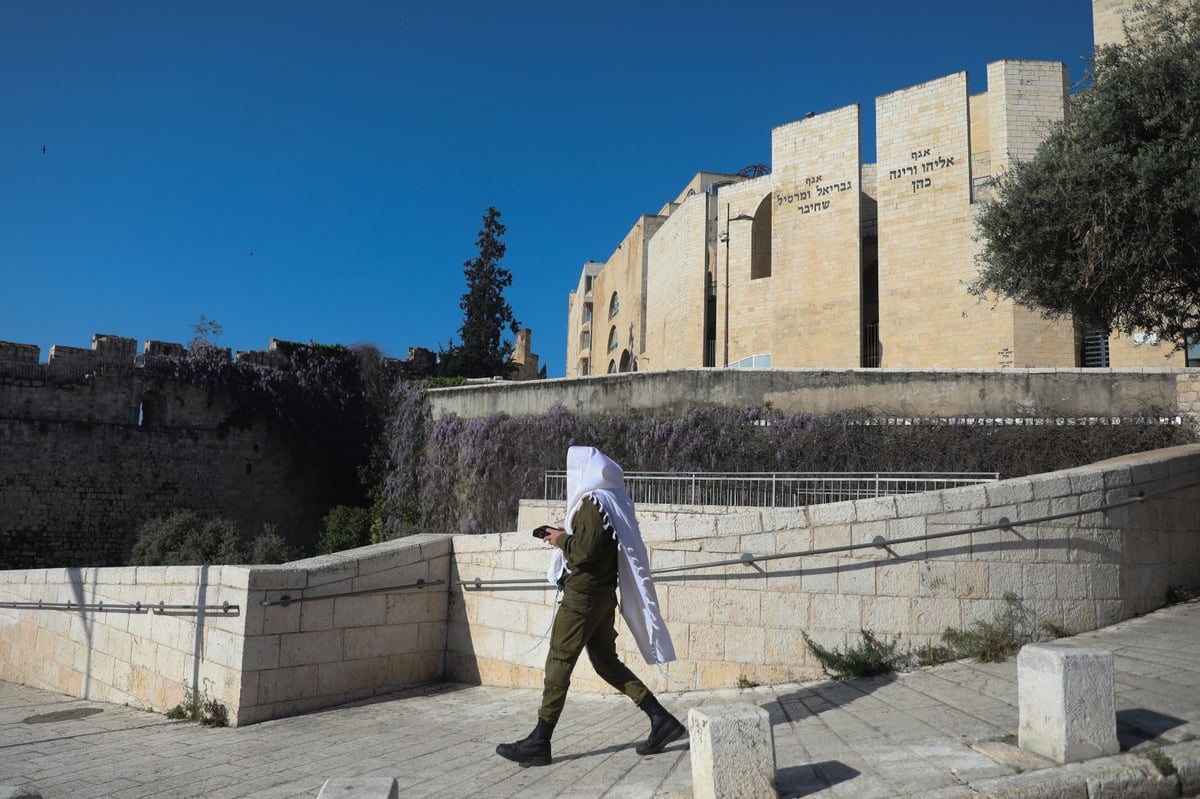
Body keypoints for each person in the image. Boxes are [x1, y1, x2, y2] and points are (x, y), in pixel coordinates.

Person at [496, 445, 687, 767]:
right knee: (605, 662)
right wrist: (566, 536)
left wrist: (559, 539)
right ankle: (661, 719)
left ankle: (540, 741)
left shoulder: (592, 503)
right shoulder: (613, 501)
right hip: (601, 595)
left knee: (559, 661)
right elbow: (595, 545)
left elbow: (584, 552)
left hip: (582, 597)